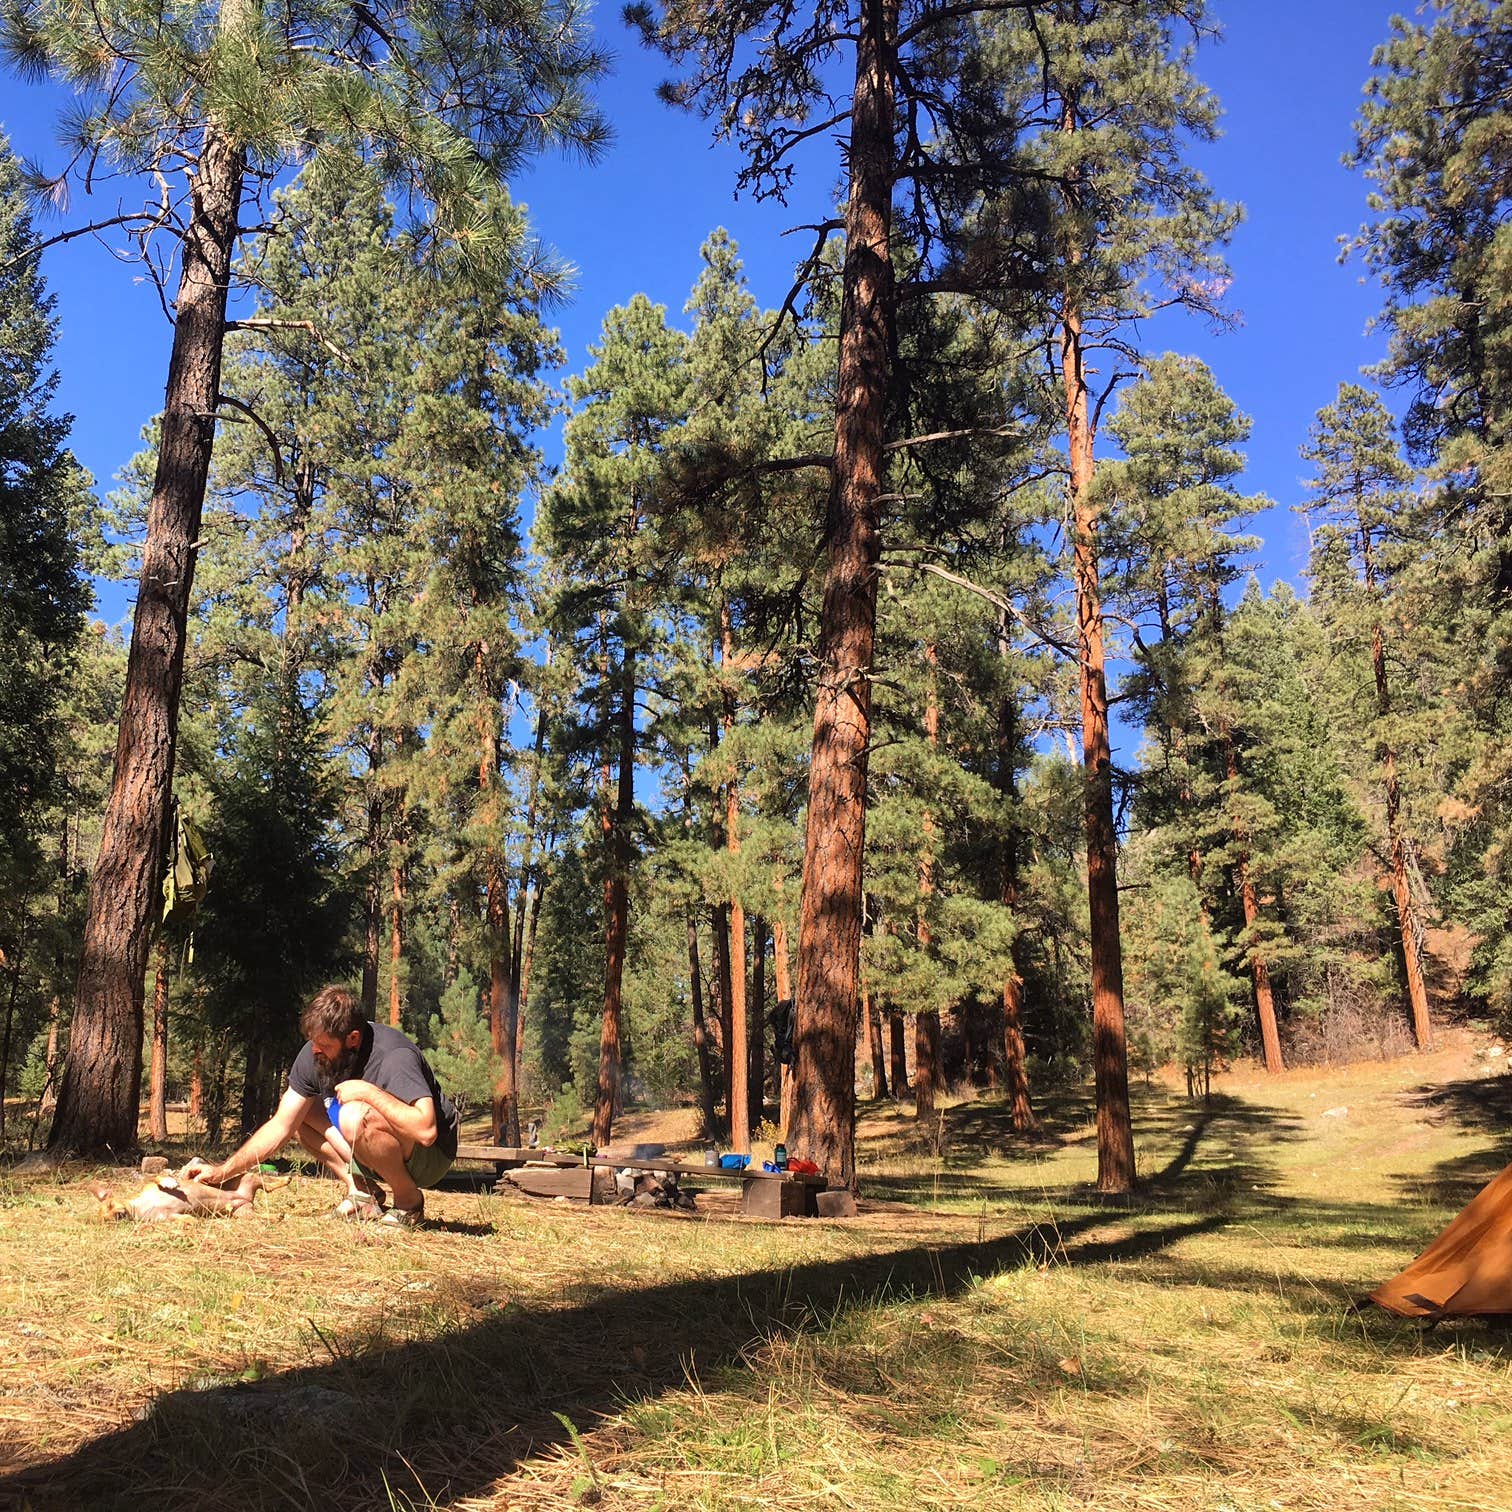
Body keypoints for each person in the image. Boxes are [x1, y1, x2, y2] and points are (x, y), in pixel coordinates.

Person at [182, 984, 460, 1225]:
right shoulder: (314, 1053)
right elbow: (281, 1125)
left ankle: (408, 1203)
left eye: (324, 1045)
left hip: (431, 1156)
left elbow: (426, 1130)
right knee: (301, 1116)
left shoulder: (394, 1055)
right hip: (379, 1145)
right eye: (313, 1042)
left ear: (352, 1038)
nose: (315, 1051)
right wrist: (222, 1170)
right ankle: (363, 1194)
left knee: (354, 1114)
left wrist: (367, 1092)